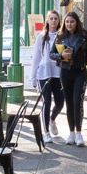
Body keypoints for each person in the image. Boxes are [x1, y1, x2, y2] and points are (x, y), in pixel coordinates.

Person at [49, 11, 87, 147]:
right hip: (65, 73)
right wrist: (61, 56)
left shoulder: (84, 35)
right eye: (67, 22)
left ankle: (79, 133)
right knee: (69, 103)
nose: (69, 24)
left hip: (80, 72)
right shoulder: (60, 36)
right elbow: (51, 54)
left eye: (72, 21)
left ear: (77, 22)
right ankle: (71, 133)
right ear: (64, 23)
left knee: (78, 102)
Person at [30, 10, 64, 144]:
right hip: (44, 73)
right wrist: (33, 77)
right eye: (51, 18)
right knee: (46, 102)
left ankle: (52, 120)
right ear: (48, 21)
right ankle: (46, 132)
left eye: (56, 19)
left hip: (58, 73)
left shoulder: (61, 36)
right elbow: (36, 57)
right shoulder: (41, 37)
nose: (54, 21)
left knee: (60, 102)